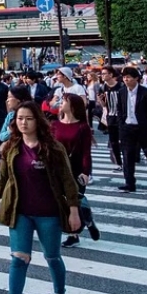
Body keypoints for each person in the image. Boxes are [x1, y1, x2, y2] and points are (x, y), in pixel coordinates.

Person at [0, 101, 81, 294]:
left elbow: (68, 181)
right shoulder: (12, 145)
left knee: (52, 257)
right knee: (18, 258)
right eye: (20, 118)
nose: (23, 123)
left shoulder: (53, 147)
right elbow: (4, 176)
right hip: (20, 211)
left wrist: (73, 210)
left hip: (48, 212)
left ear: (37, 121)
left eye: (28, 118)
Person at [54, 93, 100, 247]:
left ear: (73, 105)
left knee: (75, 199)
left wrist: (86, 172)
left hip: (76, 168)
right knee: (62, 200)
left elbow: (86, 152)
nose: (61, 103)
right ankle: (85, 221)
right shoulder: (54, 124)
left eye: (64, 100)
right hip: (58, 168)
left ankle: (75, 232)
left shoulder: (82, 127)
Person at [118, 66, 147, 192]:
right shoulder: (122, 92)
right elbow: (120, 110)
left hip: (144, 128)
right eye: (124, 77)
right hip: (128, 128)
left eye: (129, 77)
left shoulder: (146, 92)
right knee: (127, 156)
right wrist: (122, 126)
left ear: (136, 78)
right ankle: (129, 182)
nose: (126, 80)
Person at [97, 66, 125, 170]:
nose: (102, 76)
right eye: (102, 74)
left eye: (104, 74)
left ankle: (127, 161)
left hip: (121, 117)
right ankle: (119, 163)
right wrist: (100, 101)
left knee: (124, 140)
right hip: (110, 116)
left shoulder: (121, 86)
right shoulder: (103, 87)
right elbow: (104, 105)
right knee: (113, 141)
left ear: (111, 75)